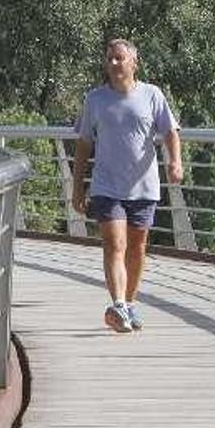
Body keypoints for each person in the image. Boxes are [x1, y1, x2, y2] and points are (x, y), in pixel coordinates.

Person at [72, 38, 183, 333]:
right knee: (114, 243)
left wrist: (175, 162)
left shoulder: (152, 95)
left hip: (144, 186)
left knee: (137, 247)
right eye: (109, 59)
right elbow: (83, 145)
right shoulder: (95, 99)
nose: (113, 63)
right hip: (106, 186)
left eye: (119, 58)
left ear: (134, 62)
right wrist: (77, 187)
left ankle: (129, 305)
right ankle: (118, 303)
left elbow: (170, 132)